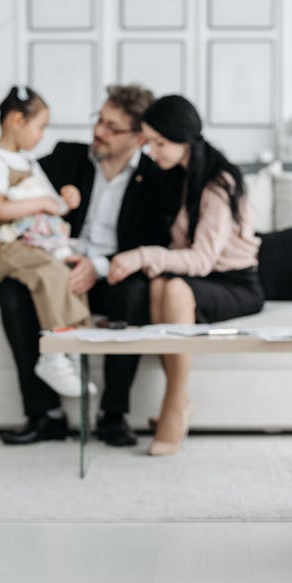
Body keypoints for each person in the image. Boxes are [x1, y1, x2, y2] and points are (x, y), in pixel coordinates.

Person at [0, 84, 182, 447]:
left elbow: (154, 242)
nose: (99, 131)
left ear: (139, 138)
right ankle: (45, 414)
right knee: (13, 290)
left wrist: (97, 266)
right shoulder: (65, 157)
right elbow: (3, 189)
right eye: (99, 120)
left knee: (134, 294)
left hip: (112, 271)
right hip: (56, 261)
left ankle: (113, 414)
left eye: (112, 127)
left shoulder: (156, 179)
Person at [108, 95, 264, 456]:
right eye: (148, 143)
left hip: (236, 282)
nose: (152, 152)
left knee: (175, 289)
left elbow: (203, 260)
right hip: (203, 280)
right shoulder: (178, 176)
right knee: (158, 286)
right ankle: (180, 403)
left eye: (159, 143)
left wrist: (141, 256)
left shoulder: (219, 183)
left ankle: (174, 402)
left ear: (184, 139)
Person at [0, 85, 94, 398]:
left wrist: (67, 199)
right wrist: (43, 203)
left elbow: (53, 204)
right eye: (40, 127)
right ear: (17, 120)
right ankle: (53, 355)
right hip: (2, 242)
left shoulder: (27, 161)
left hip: (30, 241)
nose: (42, 136)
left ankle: (73, 346)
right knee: (50, 273)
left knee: (70, 276)